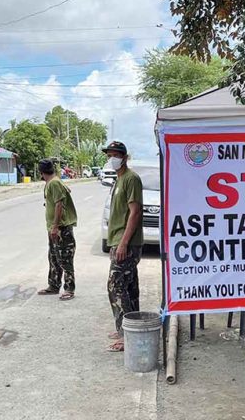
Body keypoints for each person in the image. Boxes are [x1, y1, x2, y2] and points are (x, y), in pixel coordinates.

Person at [102, 141, 143, 352]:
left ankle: (128, 336)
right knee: (129, 288)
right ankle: (131, 329)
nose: (112, 158)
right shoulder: (118, 180)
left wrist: (124, 243)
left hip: (126, 243)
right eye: (109, 155)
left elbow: (135, 213)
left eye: (115, 155)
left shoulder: (131, 179)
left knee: (115, 287)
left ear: (125, 157)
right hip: (117, 241)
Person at [37, 159, 78, 301]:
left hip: (61, 228)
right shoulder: (53, 182)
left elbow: (59, 205)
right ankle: (53, 285)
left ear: (41, 173)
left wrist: (55, 226)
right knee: (54, 257)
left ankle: (69, 289)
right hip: (54, 228)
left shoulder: (54, 183)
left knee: (65, 258)